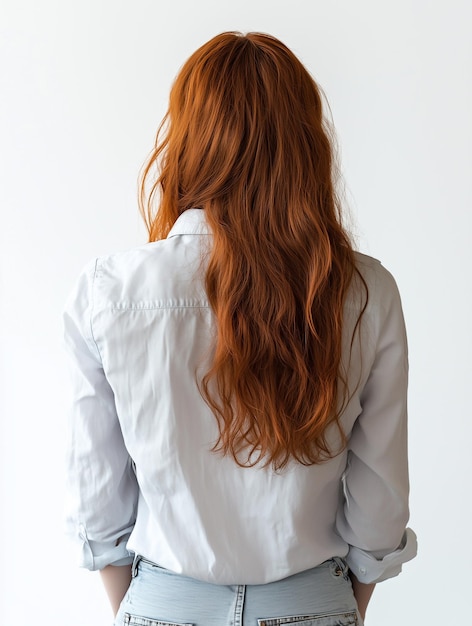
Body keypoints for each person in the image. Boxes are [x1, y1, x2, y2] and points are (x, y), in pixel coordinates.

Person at [63, 32, 417, 626]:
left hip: (162, 605)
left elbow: (97, 502)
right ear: (306, 144)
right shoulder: (366, 291)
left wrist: (148, 607)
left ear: (188, 141)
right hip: (314, 603)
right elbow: (379, 509)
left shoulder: (109, 292)